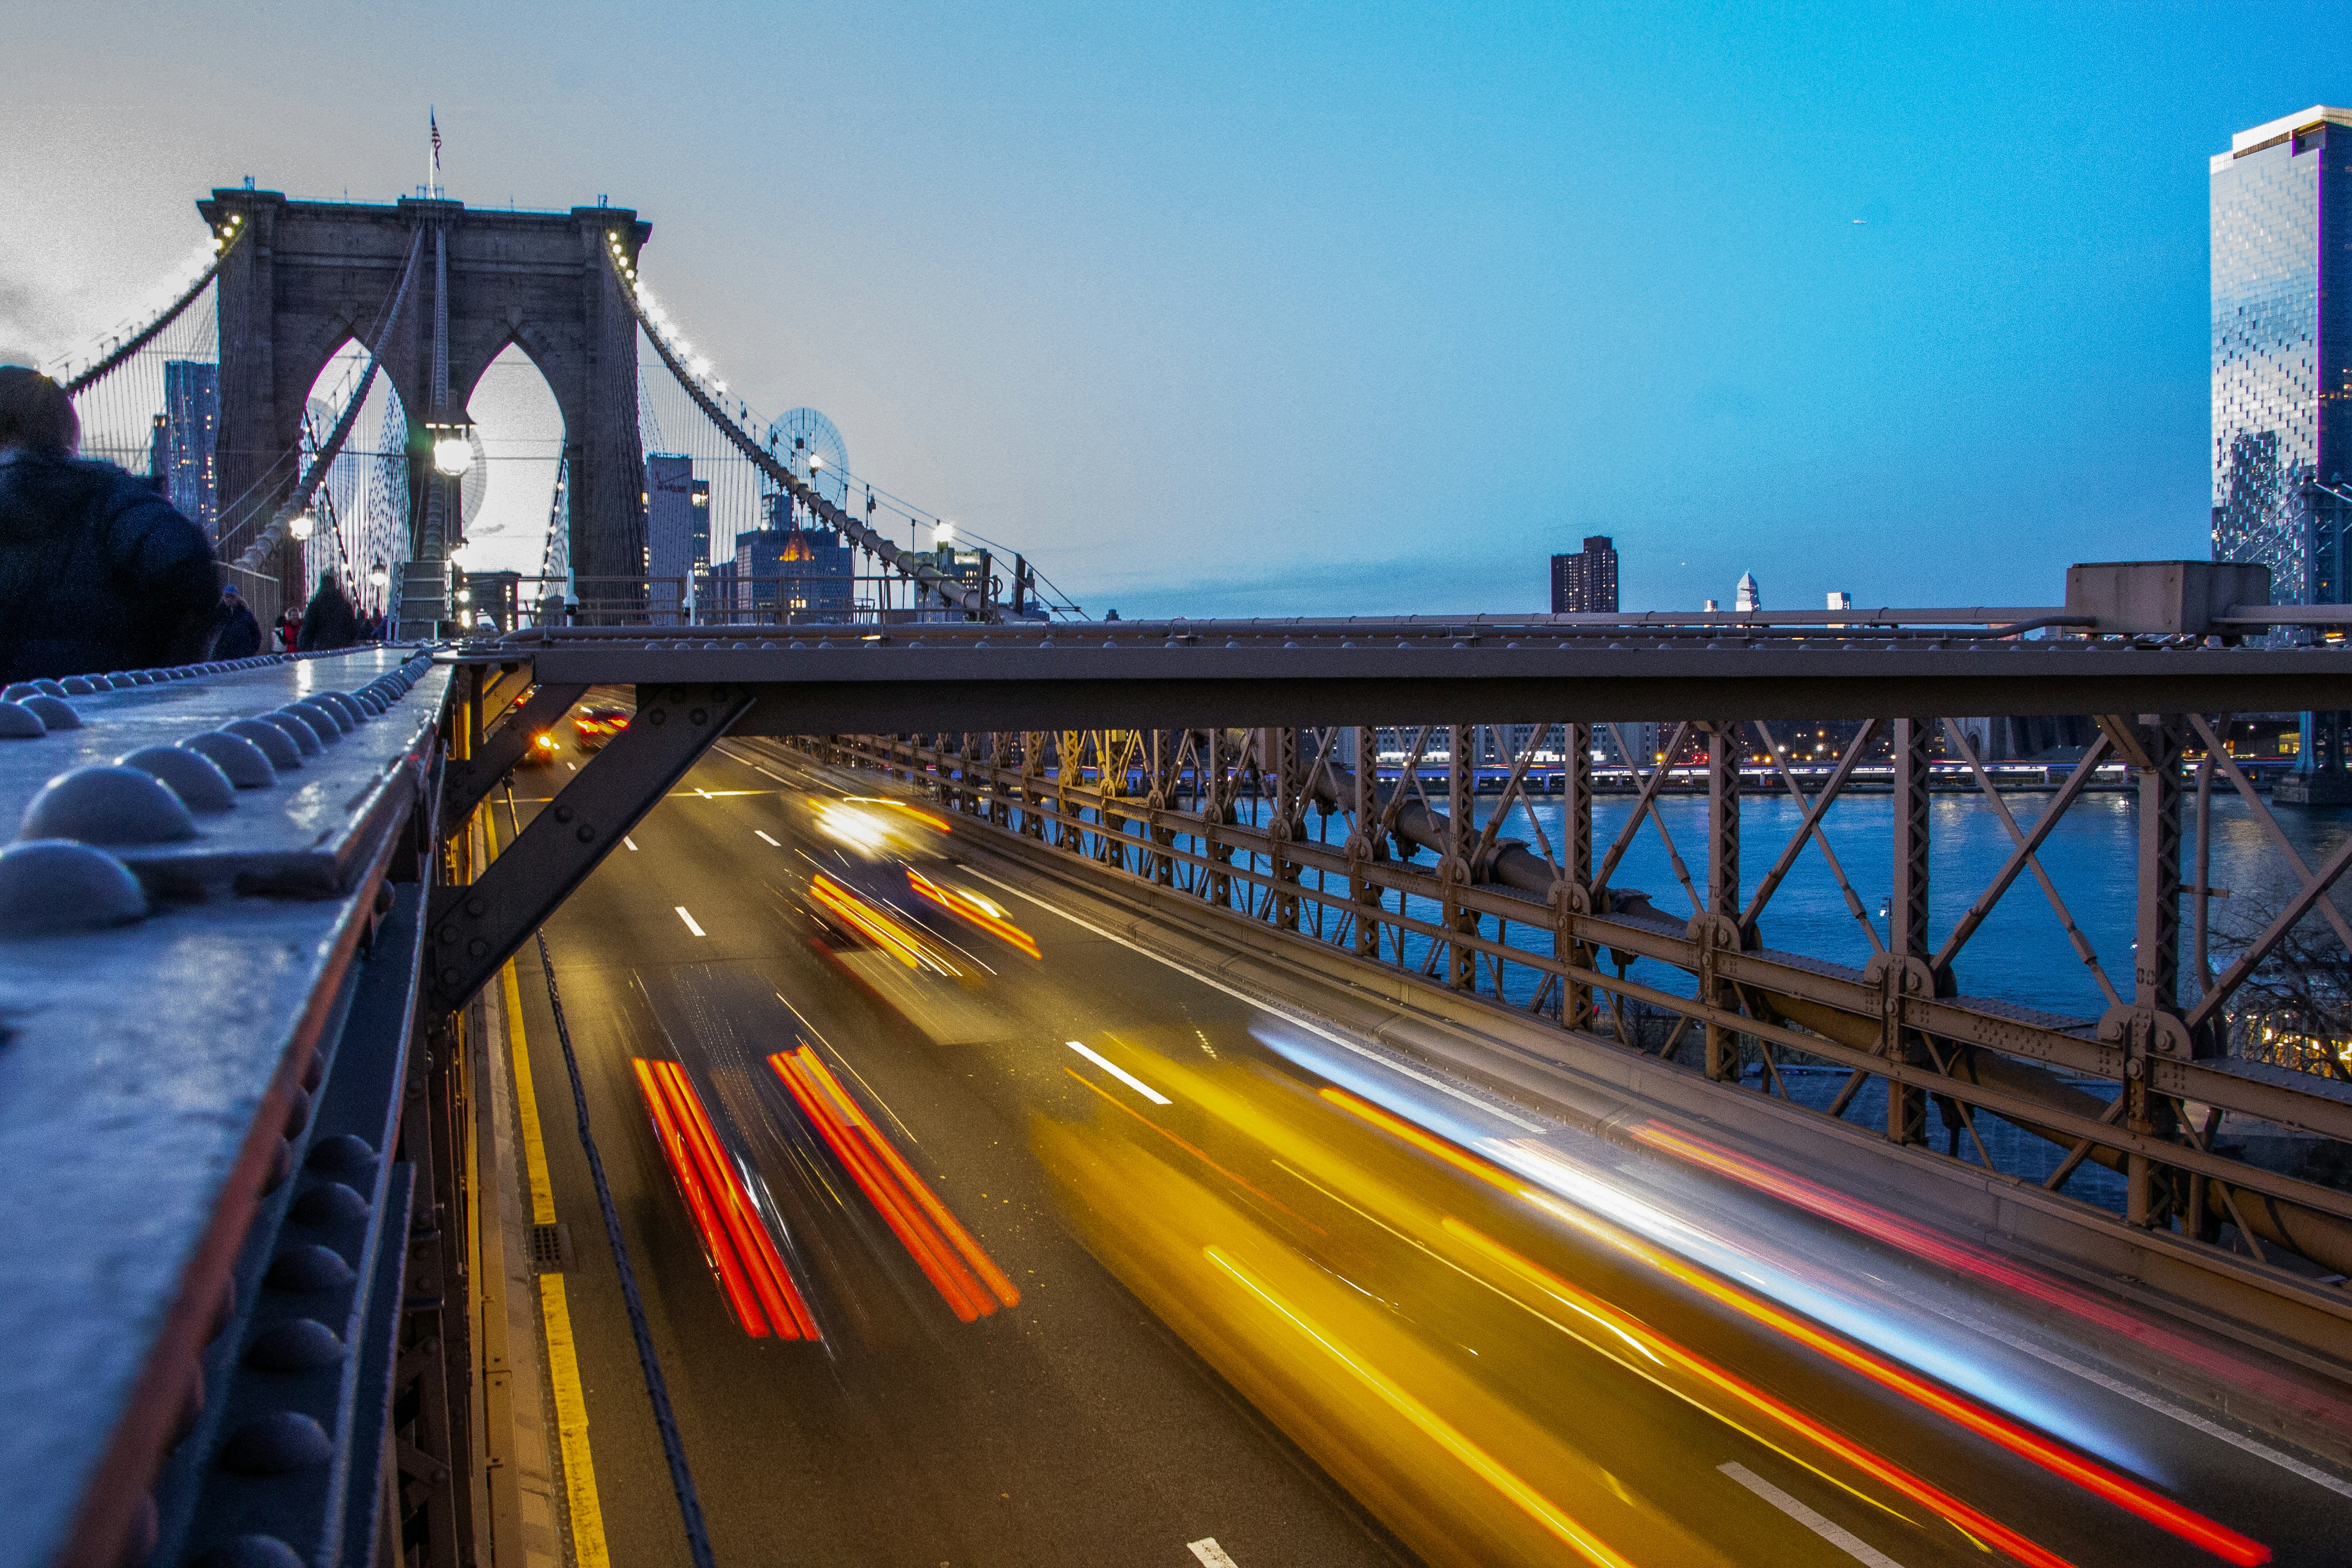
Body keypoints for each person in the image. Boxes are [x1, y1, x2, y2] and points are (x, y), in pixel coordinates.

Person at [0, 366, 220, 683]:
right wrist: (154, 675)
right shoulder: (108, 495)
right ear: (65, 430)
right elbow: (188, 565)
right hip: (99, 713)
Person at [296, 573, 360, 651]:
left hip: (322, 648)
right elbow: (352, 629)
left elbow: (308, 628)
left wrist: (305, 645)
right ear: (335, 585)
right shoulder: (345, 605)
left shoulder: (316, 605)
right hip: (342, 648)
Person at [210, 583, 263, 658]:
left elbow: (257, 635)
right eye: (226, 597)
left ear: (236, 598)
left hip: (240, 657)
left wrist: (249, 652)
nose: (227, 600)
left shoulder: (245, 615)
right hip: (225, 658)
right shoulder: (222, 615)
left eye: (230, 597)